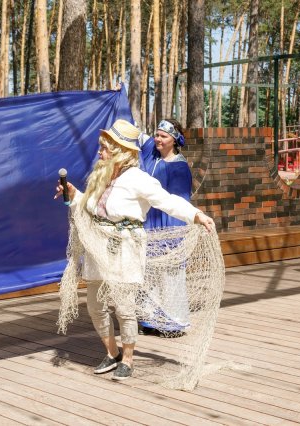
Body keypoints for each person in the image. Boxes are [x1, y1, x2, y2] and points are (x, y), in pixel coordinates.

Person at [54, 119, 215, 381]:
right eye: (101, 147)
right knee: (95, 306)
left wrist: (196, 215)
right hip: (98, 248)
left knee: (125, 307)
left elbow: (169, 201)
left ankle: (128, 358)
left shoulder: (138, 179)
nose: (100, 152)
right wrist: (74, 195)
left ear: (120, 151)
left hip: (125, 249)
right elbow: (93, 208)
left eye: (105, 148)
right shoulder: (101, 175)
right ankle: (112, 352)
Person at [137, 118, 192, 337]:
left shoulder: (179, 167)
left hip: (168, 226)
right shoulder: (151, 152)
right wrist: (118, 95)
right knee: (148, 273)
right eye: (157, 134)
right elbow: (130, 129)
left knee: (169, 274)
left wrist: (174, 235)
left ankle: (173, 323)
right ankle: (150, 320)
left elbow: (179, 202)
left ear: (175, 140)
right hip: (148, 223)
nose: (157, 139)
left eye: (163, 136)